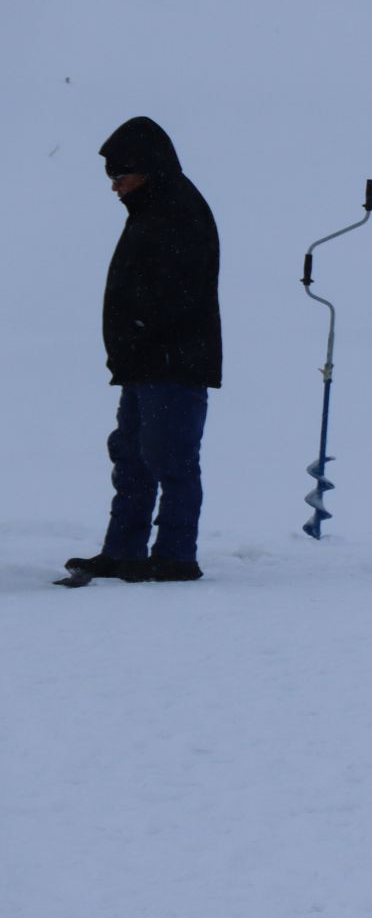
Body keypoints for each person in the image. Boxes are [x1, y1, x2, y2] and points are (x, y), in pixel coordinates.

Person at [65, 117, 222, 583]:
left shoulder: (179, 213)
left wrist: (141, 332)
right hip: (145, 364)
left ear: (147, 169)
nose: (114, 187)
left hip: (172, 363)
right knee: (131, 458)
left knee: (169, 458)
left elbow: (179, 293)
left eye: (120, 176)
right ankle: (125, 551)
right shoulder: (153, 211)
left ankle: (175, 557)